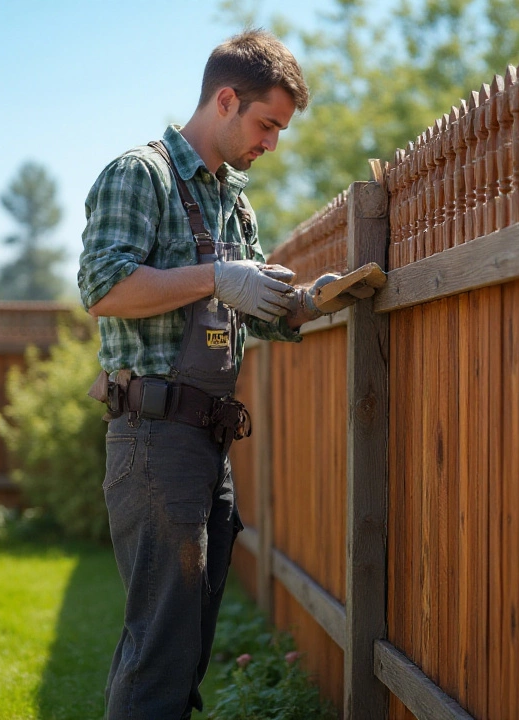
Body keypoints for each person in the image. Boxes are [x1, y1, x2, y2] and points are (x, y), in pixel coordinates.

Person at [77, 29, 342, 720]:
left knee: (185, 648)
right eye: (266, 124)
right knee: (160, 650)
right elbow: (104, 286)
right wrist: (218, 277)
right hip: (153, 438)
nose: (272, 144)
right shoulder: (141, 174)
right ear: (226, 99)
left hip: (208, 444)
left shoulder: (234, 202)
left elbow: (252, 310)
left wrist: (309, 301)